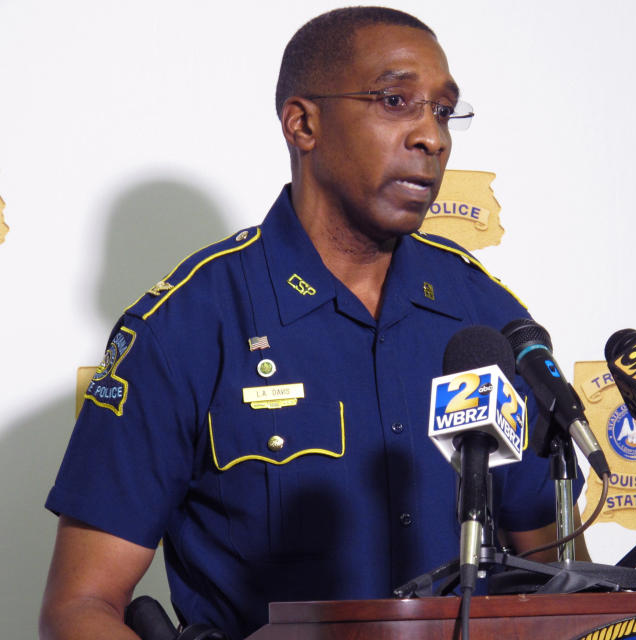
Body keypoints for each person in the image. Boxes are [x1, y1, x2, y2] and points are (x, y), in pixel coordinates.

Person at [40, 7, 581, 640]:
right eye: (396, 100)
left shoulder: (486, 319)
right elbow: (80, 607)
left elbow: (556, 585)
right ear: (303, 124)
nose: (431, 137)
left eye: (442, 110)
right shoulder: (184, 326)